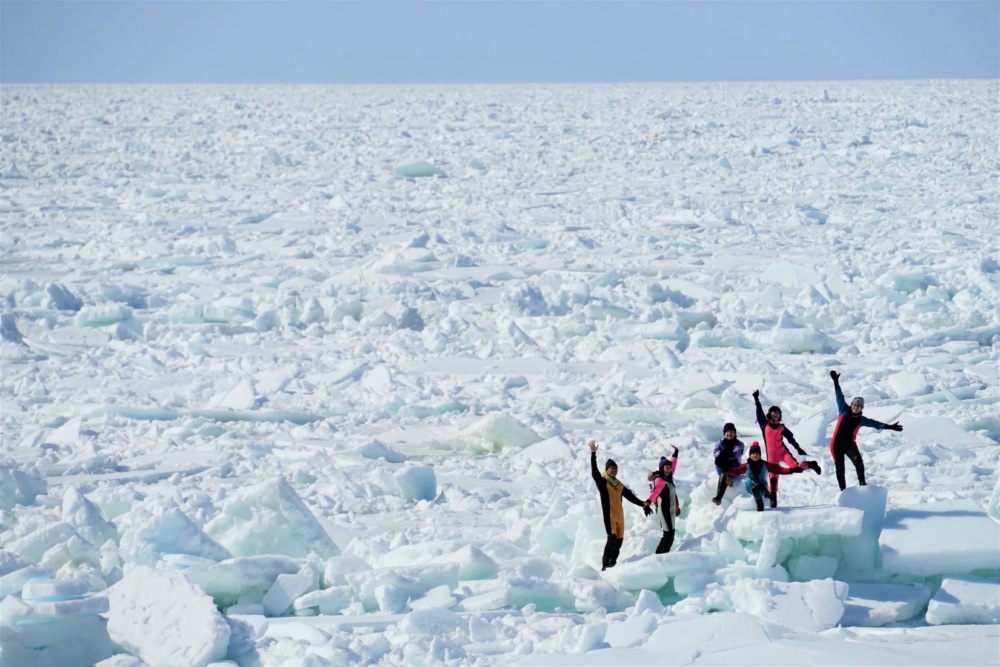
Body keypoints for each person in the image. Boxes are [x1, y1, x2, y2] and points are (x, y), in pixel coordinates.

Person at [829, 371, 903, 490]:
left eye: (859, 406)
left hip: (849, 445)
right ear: (852, 404)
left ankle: (862, 484)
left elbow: (876, 424)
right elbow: (839, 396)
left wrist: (890, 426)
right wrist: (836, 382)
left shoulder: (861, 420)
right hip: (836, 445)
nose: (856, 407)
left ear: (861, 408)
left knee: (858, 461)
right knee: (840, 468)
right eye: (854, 404)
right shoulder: (843, 410)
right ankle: (843, 490)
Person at [753, 389, 821, 507]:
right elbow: (759, 414)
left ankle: (811, 464)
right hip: (772, 458)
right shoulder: (764, 425)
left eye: (777, 413)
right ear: (770, 414)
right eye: (773, 412)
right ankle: (773, 502)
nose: (775, 414)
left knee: (797, 468)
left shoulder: (781, 427)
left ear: (780, 415)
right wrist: (757, 400)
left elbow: (790, 439)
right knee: (773, 480)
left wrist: (798, 448)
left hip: (783, 453)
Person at [589, 440, 646, 570]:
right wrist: (593, 454)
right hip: (610, 516)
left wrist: (643, 503)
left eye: (616, 469)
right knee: (611, 539)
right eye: (612, 468)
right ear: (607, 470)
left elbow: (630, 496)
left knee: (619, 542)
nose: (614, 471)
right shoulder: (603, 482)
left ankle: (612, 564)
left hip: (619, 517)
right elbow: (594, 473)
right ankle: (604, 565)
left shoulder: (618, 484)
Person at [726, 442, 811, 511]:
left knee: (756, 486)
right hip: (750, 486)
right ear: (750, 455)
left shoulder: (765, 464)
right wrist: (726, 469)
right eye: (753, 454)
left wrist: (792, 470)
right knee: (752, 477)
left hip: (762, 486)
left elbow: (779, 470)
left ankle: (761, 503)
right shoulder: (746, 465)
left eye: (757, 454)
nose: (755, 455)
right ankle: (764, 496)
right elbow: (736, 471)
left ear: (759, 455)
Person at [644, 446, 681, 554]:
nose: (669, 469)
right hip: (664, 511)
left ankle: (659, 554)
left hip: (670, 511)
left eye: (669, 467)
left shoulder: (668, 476)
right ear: (662, 468)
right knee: (669, 534)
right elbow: (654, 492)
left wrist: (676, 453)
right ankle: (663, 555)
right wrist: (647, 503)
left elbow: (673, 464)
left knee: (668, 534)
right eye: (666, 467)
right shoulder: (660, 480)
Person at [712, 423, 745, 506]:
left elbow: (735, 455)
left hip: (734, 467)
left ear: (735, 433)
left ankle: (718, 497)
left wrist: (723, 454)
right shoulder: (720, 443)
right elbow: (715, 454)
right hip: (721, 466)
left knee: (724, 469)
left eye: (731, 431)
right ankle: (728, 479)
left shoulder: (739, 444)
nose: (729, 433)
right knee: (719, 461)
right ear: (724, 433)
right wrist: (725, 453)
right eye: (727, 431)